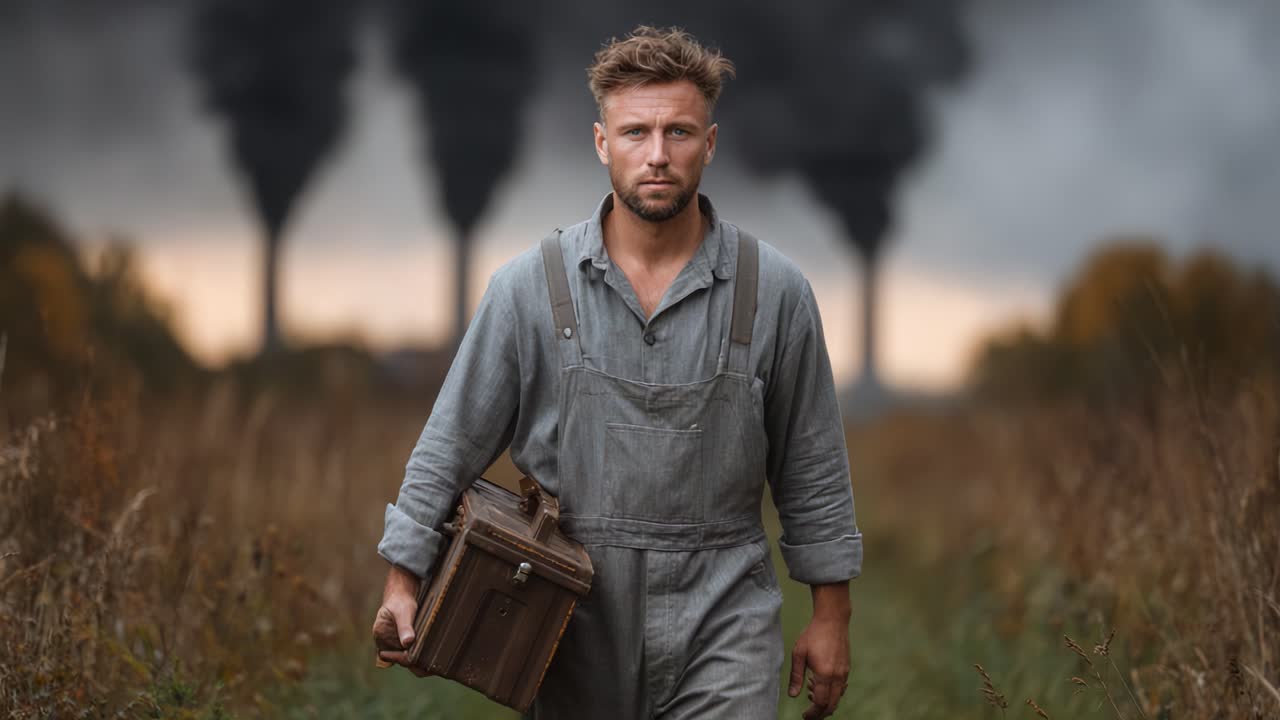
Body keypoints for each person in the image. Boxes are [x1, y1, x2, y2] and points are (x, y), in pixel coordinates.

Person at [372, 25, 862, 720]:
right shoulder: (528, 289)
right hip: (567, 622)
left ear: (710, 144)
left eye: (679, 133)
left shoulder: (775, 292)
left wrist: (831, 615)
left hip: (724, 616)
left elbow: (813, 467)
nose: (657, 155)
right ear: (603, 143)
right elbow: (448, 444)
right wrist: (402, 578)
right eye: (636, 133)